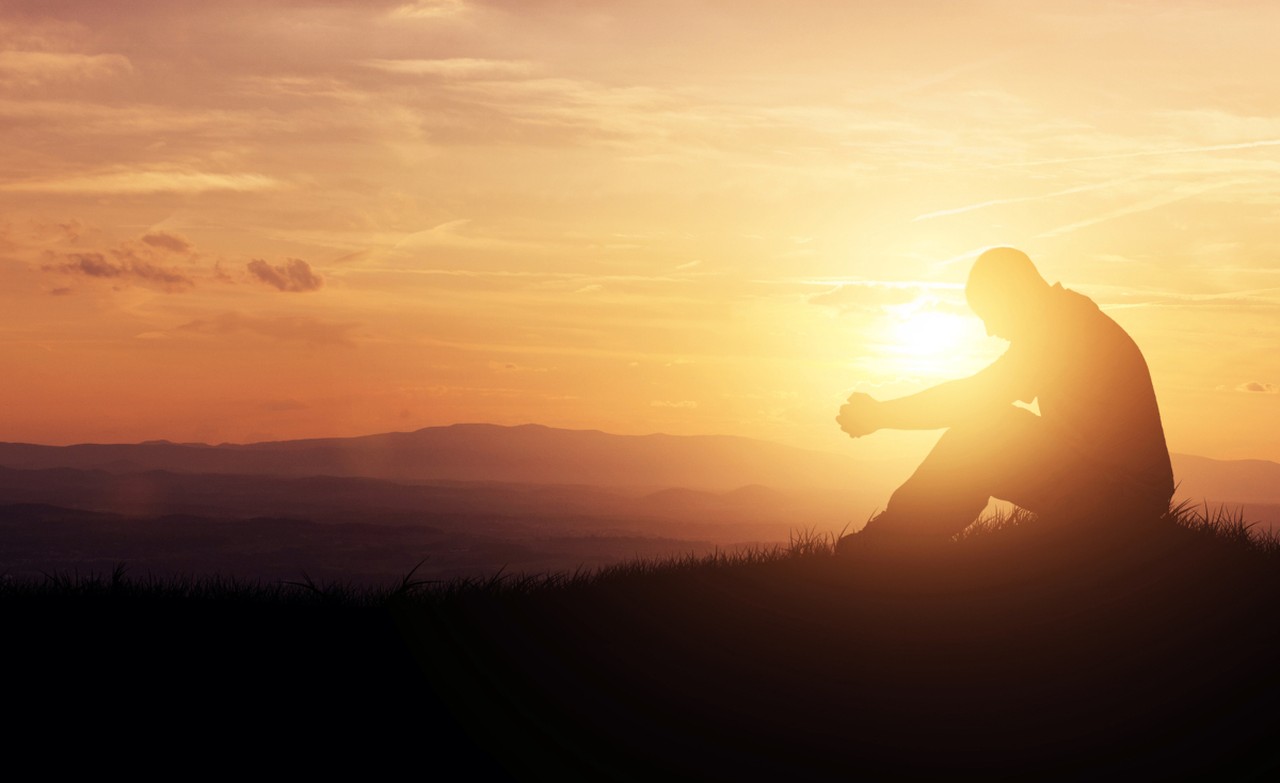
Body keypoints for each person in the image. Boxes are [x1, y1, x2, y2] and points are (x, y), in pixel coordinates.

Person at [835, 247, 1174, 545]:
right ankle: (901, 538)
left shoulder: (1064, 331)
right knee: (989, 426)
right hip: (1125, 494)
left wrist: (880, 415)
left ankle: (891, 544)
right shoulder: (1068, 319)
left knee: (983, 432)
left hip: (1125, 501)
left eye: (989, 314)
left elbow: (975, 396)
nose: (990, 330)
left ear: (1012, 296)